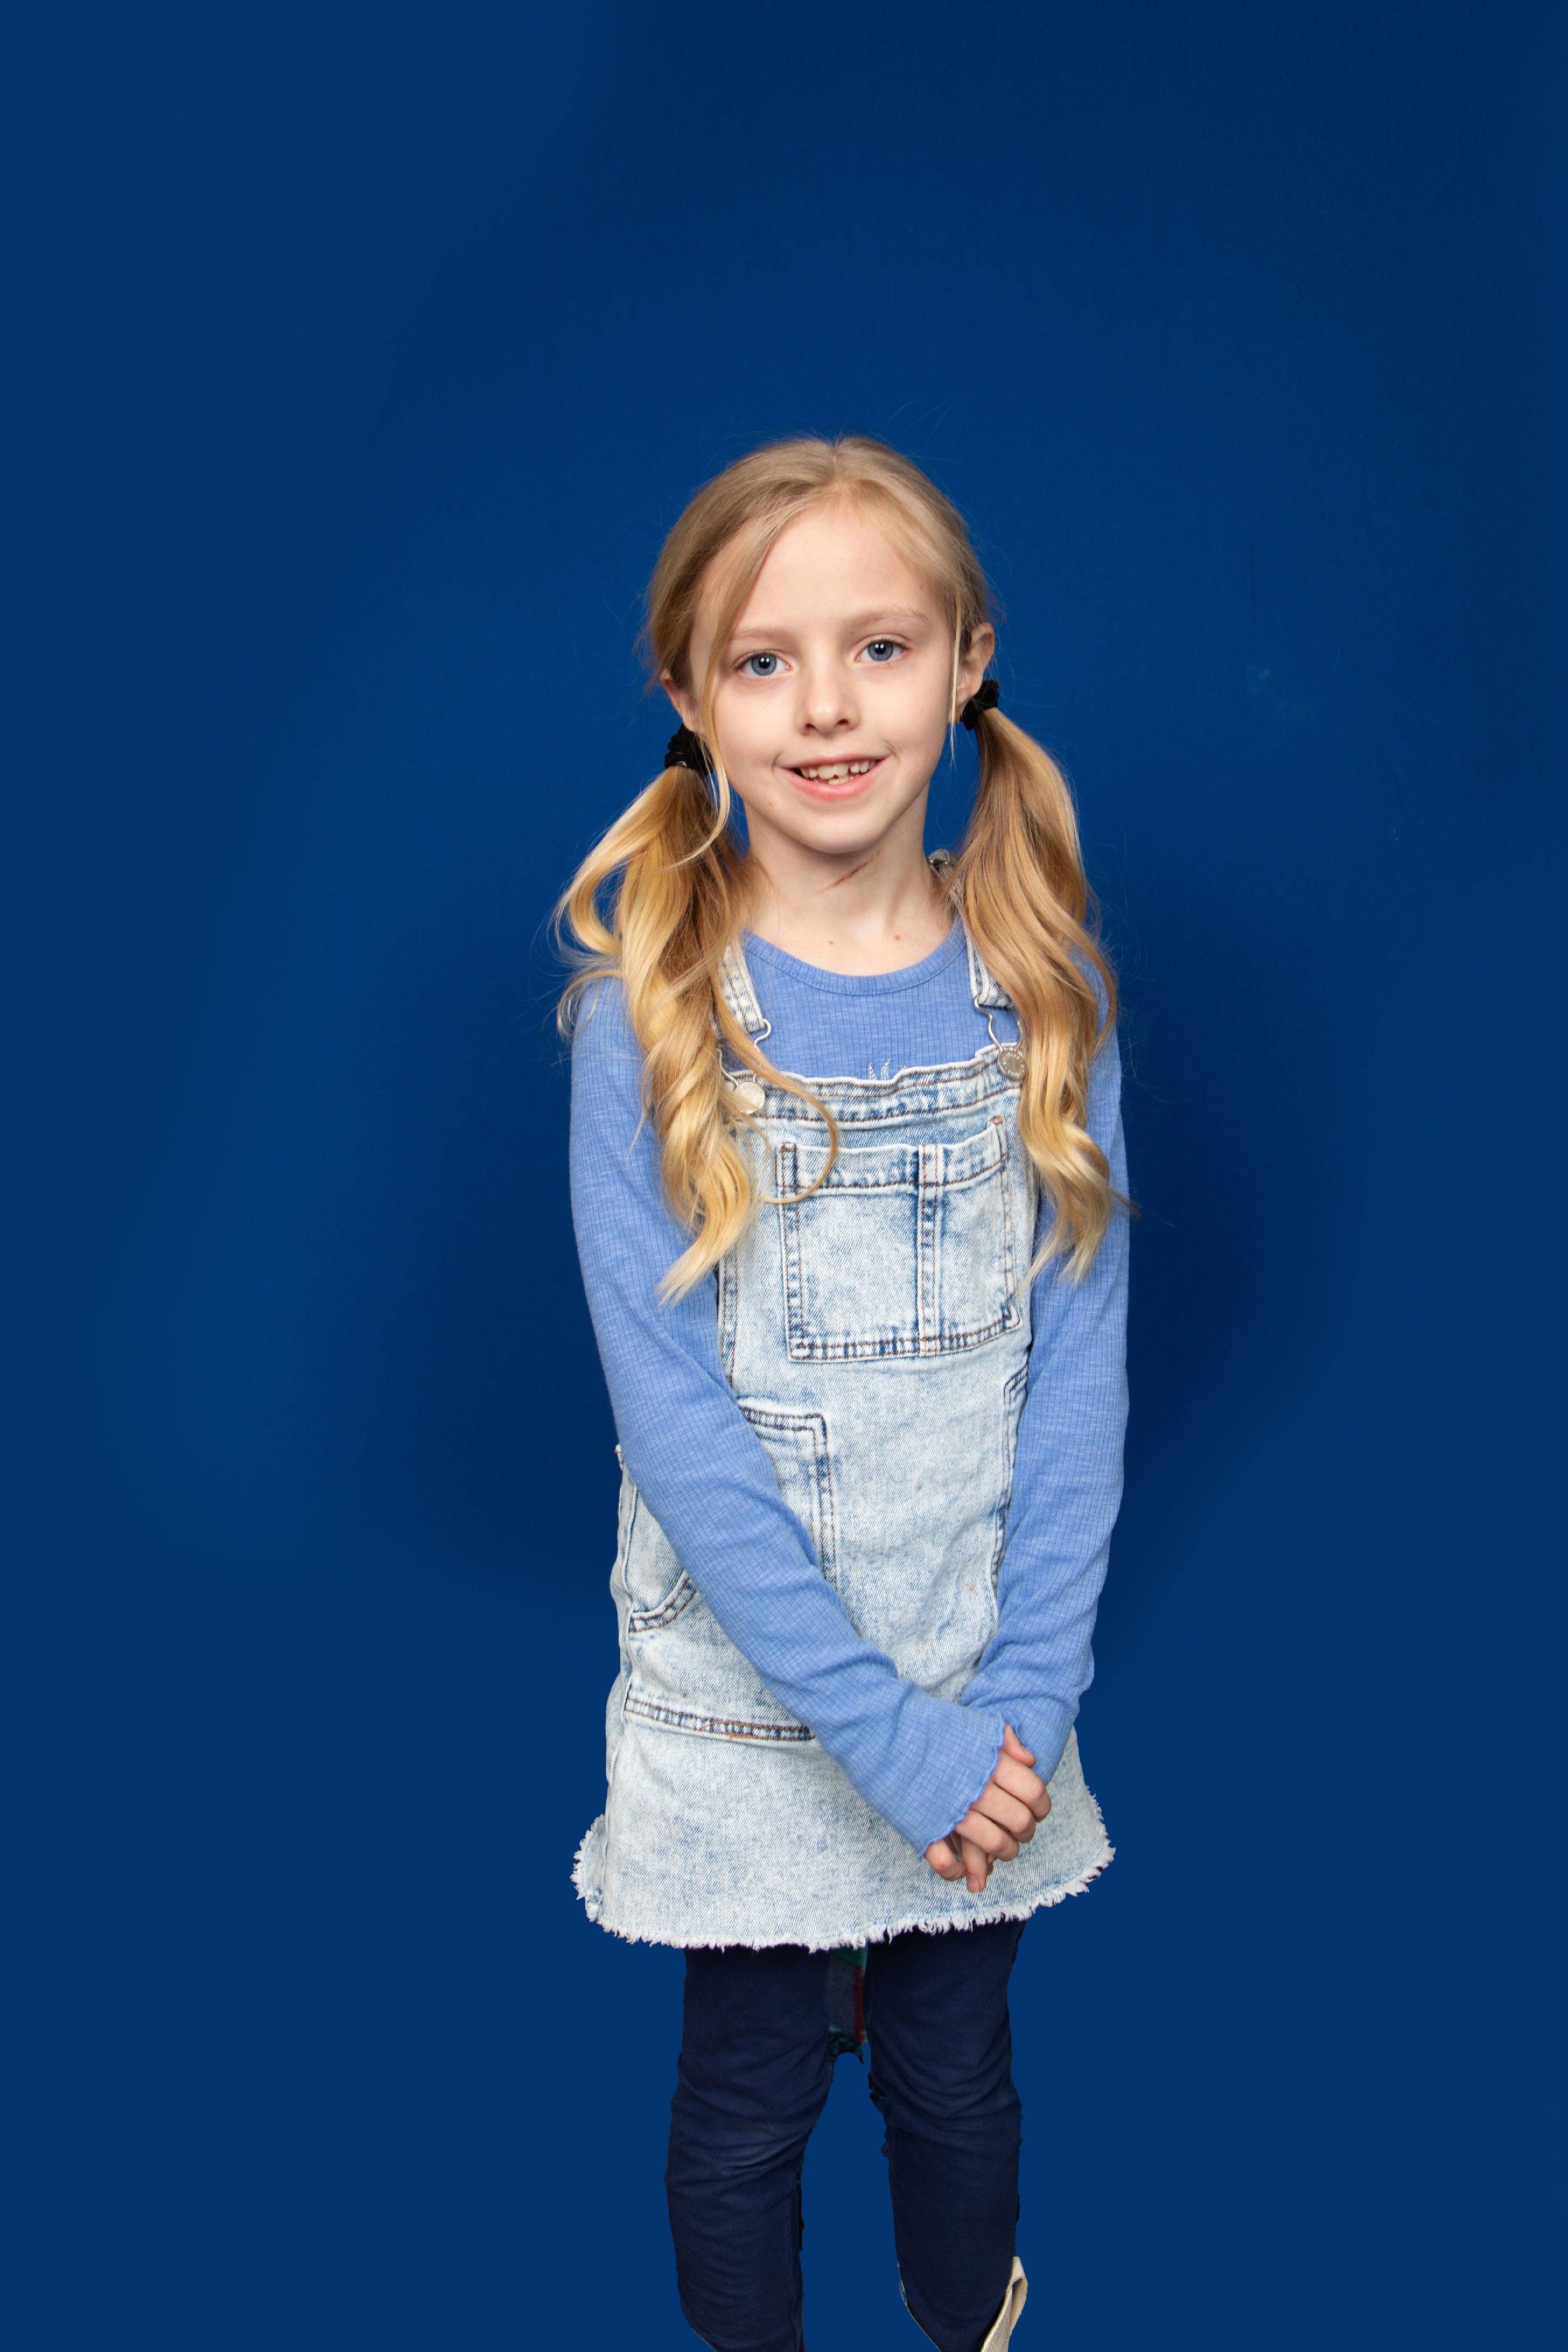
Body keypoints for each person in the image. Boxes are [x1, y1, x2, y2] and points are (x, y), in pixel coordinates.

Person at [559, 436, 1129, 2352]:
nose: (826, 707)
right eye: (763, 660)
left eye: (879, 647)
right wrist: (882, 1747)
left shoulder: (1041, 992)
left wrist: (1019, 1706)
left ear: (968, 661)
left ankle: (970, 2325)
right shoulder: (653, 1014)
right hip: (751, 1707)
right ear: (688, 691)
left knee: (955, 2079)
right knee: (748, 2102)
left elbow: (1078, 1387)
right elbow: (677, 1432)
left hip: (980, 1692)